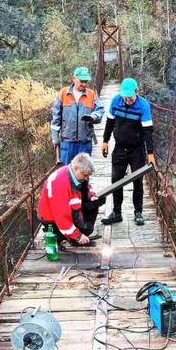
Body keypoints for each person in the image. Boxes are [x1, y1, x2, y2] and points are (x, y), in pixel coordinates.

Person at [100, 77, 156, 226]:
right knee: (116, 180)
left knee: (137, 181)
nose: (127, 100)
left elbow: (148, 131)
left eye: (130, 97)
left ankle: (138, 212)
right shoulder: (115, 101)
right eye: (125, 97)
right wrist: (105, 141)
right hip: (119, 148)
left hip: (137, 149)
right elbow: (110, 122)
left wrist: (150, 153)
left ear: (137, 92)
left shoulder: (143, 105)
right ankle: (116, 212)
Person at [37, 153, 105, 248]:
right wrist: (77, 236)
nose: (86, 178)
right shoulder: (60, 183)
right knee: (76, 230)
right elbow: (61, 216)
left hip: (69, 209)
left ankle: (76, 234)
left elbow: (88, 187)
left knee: (93, 204)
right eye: (85, 175)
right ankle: (65, 237)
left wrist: (91, 196)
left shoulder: (73, 174)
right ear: (76, 168)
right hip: (52, 220)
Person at [50, 67, 105, 166]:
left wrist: (93, 116)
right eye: (81, 81)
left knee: (84, 174)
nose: (84, 84)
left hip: (85, 143)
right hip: (67, 142)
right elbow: (56, 117)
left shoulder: (91, 94)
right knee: (67, 172)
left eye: (86, 81)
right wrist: (55, 137)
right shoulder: (63, 93)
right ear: (74, 79)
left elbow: (100, 110)